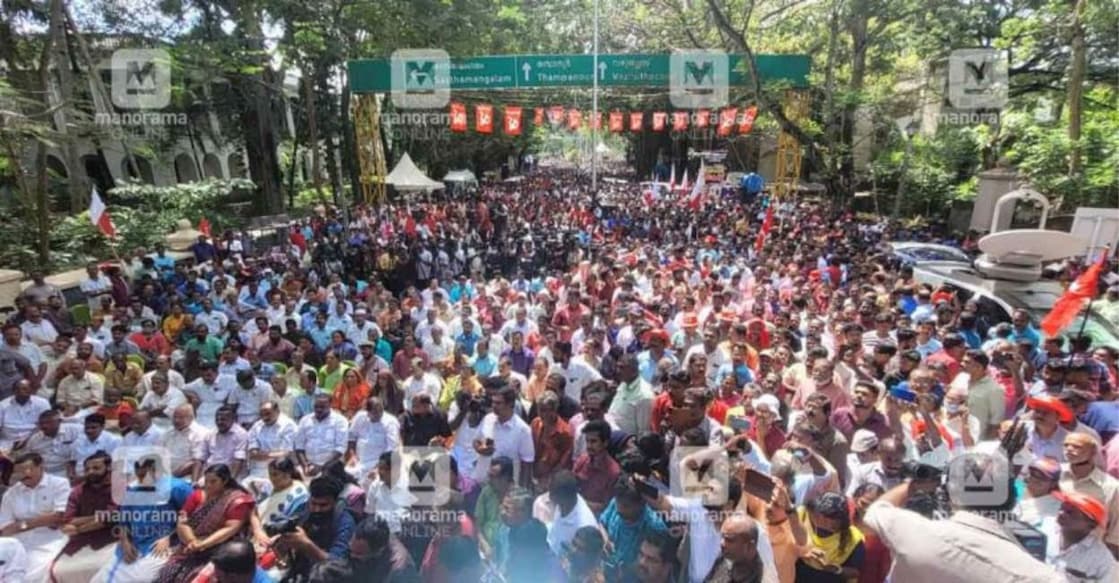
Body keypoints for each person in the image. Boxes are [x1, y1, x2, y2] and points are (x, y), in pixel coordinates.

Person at [862, 453, 1065, 582]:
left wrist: (913, 485)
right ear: (1011, 499)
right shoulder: (1041, 576)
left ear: (950, 494)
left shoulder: (913, 531)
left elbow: (875, 512)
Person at [157, 464, 255, 581]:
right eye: (207, 481)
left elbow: (230, 529)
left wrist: (203, 545)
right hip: (189, 546)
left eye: (213, 482)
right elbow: (183, 522)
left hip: (220, 549)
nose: (208, 485)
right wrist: (193, 541)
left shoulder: (236, 500)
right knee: (167, 573)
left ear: (225, 481)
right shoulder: (197, 495)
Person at [0, 452, 71, 583]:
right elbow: (5, 530)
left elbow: (58, 518)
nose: (24, 474)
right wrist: (41, 520)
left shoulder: (59, 484)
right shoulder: (11, 494)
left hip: (51, 539)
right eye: (19, 471)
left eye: (28, 469)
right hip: (19, 542)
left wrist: (21, 524)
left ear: (41, 467)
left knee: (34, 574)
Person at [50, 451, 116, 583]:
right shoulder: (78, 490)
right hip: (81, 540)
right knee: (58, 570)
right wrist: (97, 518)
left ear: (108, 468)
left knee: (104, 568)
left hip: (112, 537)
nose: (90, 472)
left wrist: (79, 528)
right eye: (87, 469)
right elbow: (68, 520)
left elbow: (111, 519)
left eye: (96, 468)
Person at [272, 476, 356, 580]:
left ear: (335, 502)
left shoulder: (344, 522)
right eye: (314, 504)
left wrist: (307, 545)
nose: (317, 509)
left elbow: (337, 565)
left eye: (323, 505)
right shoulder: (305, 511)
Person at [599, 476, 668, 582]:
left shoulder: (655, 528)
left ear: (642, 504)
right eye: (618, 503)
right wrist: (605, 539)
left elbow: (657, 570)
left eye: (626, 506)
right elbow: (601, 523)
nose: (619, 509)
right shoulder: (618, 502)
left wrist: (627, 569)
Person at [794, 491, 865, 582]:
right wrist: (802, 552)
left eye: (830, 518)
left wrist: (835, 569)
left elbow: (855, 572)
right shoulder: (800, 516)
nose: (821, 519)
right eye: (819, 515)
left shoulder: (853, 539)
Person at [1049, 489, 1117, 581]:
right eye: (1062, 508)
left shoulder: (1102, 559)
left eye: (1070, 512)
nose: (1062, 514)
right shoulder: (1044, 531)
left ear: (1091, 524)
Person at [249, 456, 310, 547]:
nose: (271, 478)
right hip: (258, 535)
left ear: (287, 474)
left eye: (275, 474)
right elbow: (254, 512)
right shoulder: (268, 487)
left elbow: (294, 525)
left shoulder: (300, 494)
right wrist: (258, 531)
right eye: (270, 474)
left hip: (279, 541)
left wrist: (269, 541)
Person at [545, 470, 598, 556]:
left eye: (552, 495)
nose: (549, 497)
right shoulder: (564, 503)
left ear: (563, 497)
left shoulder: (584, 526)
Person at [294, 394, 348, 478]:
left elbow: (340, 448)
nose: (318, 409)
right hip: (308, 466)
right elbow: (299, 446)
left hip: (331, 467)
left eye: (322, 407)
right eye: (316, 406)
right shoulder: (305, 420)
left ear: (330, 405)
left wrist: (322, 467)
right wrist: (305, 465)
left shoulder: (340, 421)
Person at [704, 513, 767, 583]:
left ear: (750, 546)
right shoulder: (726, 557)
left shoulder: (764, 577)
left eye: (730, 540)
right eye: (722, 537)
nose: (722, 543)